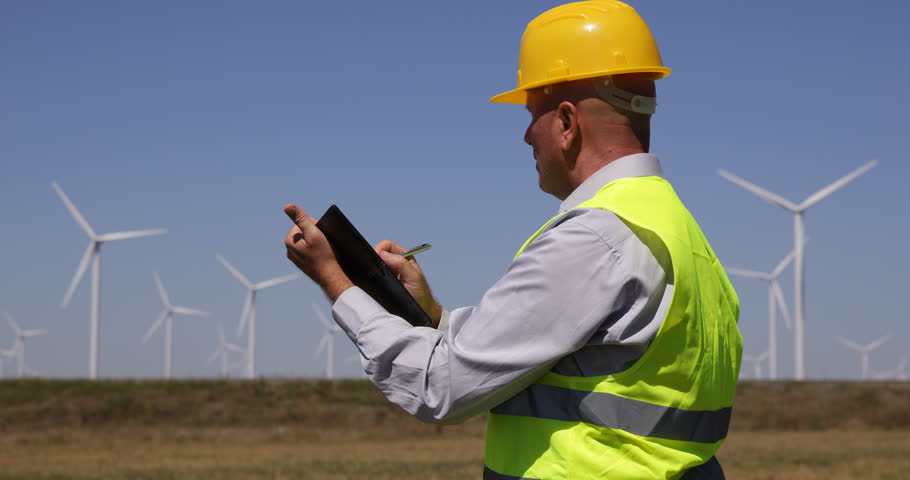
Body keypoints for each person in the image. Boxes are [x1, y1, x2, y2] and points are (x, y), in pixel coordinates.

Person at [283, 1, 742, 479]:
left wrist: (337, 282)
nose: (525, 135)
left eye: (531, 113)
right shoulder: (678, 233)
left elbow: (439, 387)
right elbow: (555, 361)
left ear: (567, 123)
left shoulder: (593, 238)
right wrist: (431, 316)